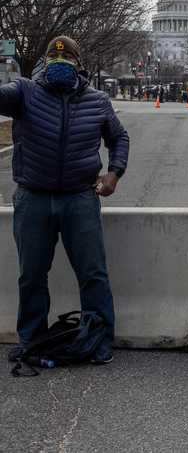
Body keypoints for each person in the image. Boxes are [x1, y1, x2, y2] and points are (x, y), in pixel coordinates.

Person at [0, 36, 129, 366]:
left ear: (77, 63)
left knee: (92, 274)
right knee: (31, 275)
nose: (60, 62)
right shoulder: (25, 92)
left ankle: (98, 342)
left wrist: (114, 173)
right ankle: (30, 339)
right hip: (33, 198)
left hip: (79, 198)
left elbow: (118, 137)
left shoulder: (98, 100)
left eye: (67, 58)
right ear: (45, 62)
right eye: (54, 58)